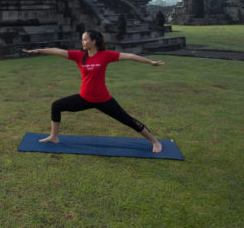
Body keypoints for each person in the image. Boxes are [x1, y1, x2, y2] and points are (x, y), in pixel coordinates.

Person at [22, 30, 165, 153]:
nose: (82, 42)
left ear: (94, 41)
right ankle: (54, 136)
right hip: (84, 98)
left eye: (85, 39)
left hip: (103, 99)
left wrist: (150, 62)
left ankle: (154, 141)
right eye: (82, 39)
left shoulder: (105, 55)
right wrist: (38, 50)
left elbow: (130, 56)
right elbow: (57, 51)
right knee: (56, 106)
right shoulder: (79, 56)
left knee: (128, 120)